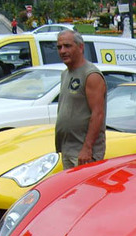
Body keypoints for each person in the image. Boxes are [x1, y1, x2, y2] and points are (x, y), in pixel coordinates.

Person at [55, 30, 107, 170]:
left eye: (67, 46)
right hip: (68, 149)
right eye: (59, 47)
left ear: (80, 47)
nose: (63, 51)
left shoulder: (91, 75)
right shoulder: (65, 74)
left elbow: (98, 114)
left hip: (84, 154)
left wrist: (87, 148)